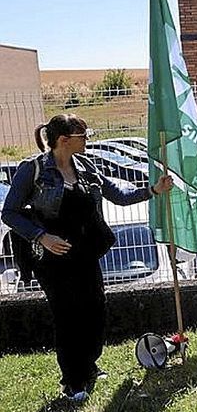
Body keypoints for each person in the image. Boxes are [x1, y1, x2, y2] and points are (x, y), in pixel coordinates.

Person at [1, 114, 173, 402]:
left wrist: (153, 190)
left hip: (86, 254)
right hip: (53, 260)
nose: (88, 140)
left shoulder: (86, 167)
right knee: (67, 317)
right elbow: (9, 212)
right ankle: (73, 381)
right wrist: (42, 236)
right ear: (64, 140)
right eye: (83, 136)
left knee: (95, 312)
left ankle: (89, 365)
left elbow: (119, 195)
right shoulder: (33, 169)